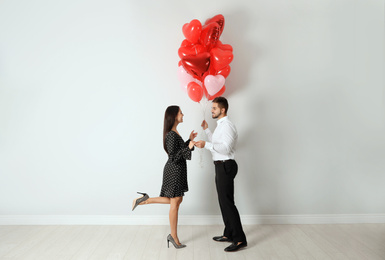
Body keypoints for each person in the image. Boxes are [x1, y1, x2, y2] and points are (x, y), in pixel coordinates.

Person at [132, 105, 197, 249]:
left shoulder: (174, 132)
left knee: (177, 199)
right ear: (173, 116)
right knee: (175, 203)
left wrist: (188, 141)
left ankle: (144, 199)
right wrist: (189, 147)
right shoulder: (171, 135)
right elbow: (174, 156)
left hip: (177, 170)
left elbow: (178, 151)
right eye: (181, 112)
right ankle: (173, 237)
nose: (183, 114)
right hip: (173, 170)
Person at [195, 97, 247, 252]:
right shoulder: (220, 126)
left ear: (223, 109)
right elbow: (217, 143)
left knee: (228, 204)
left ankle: (239, 239)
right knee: (224, 203)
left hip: (226, 166)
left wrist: (206, 145)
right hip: (220, 166)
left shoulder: (228, 126)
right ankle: (229, 234)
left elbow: (224, 149)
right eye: (212, 108)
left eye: (214, 108)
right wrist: (206, 131)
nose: (212, 110)